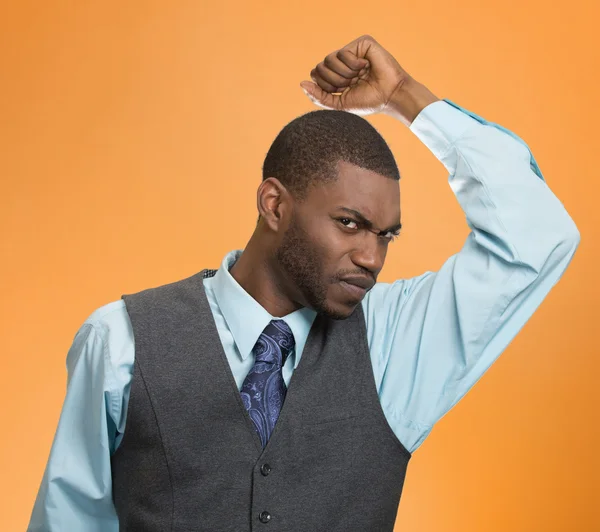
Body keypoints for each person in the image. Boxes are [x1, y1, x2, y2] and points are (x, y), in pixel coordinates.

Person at [27, 35, 580, 532]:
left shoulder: (395, 342)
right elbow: (68, 521)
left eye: (387, 235)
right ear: (274, 204)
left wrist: (407, 97)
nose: (372, 256)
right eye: (349, 223)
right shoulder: (121, 341)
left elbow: (538, 236)